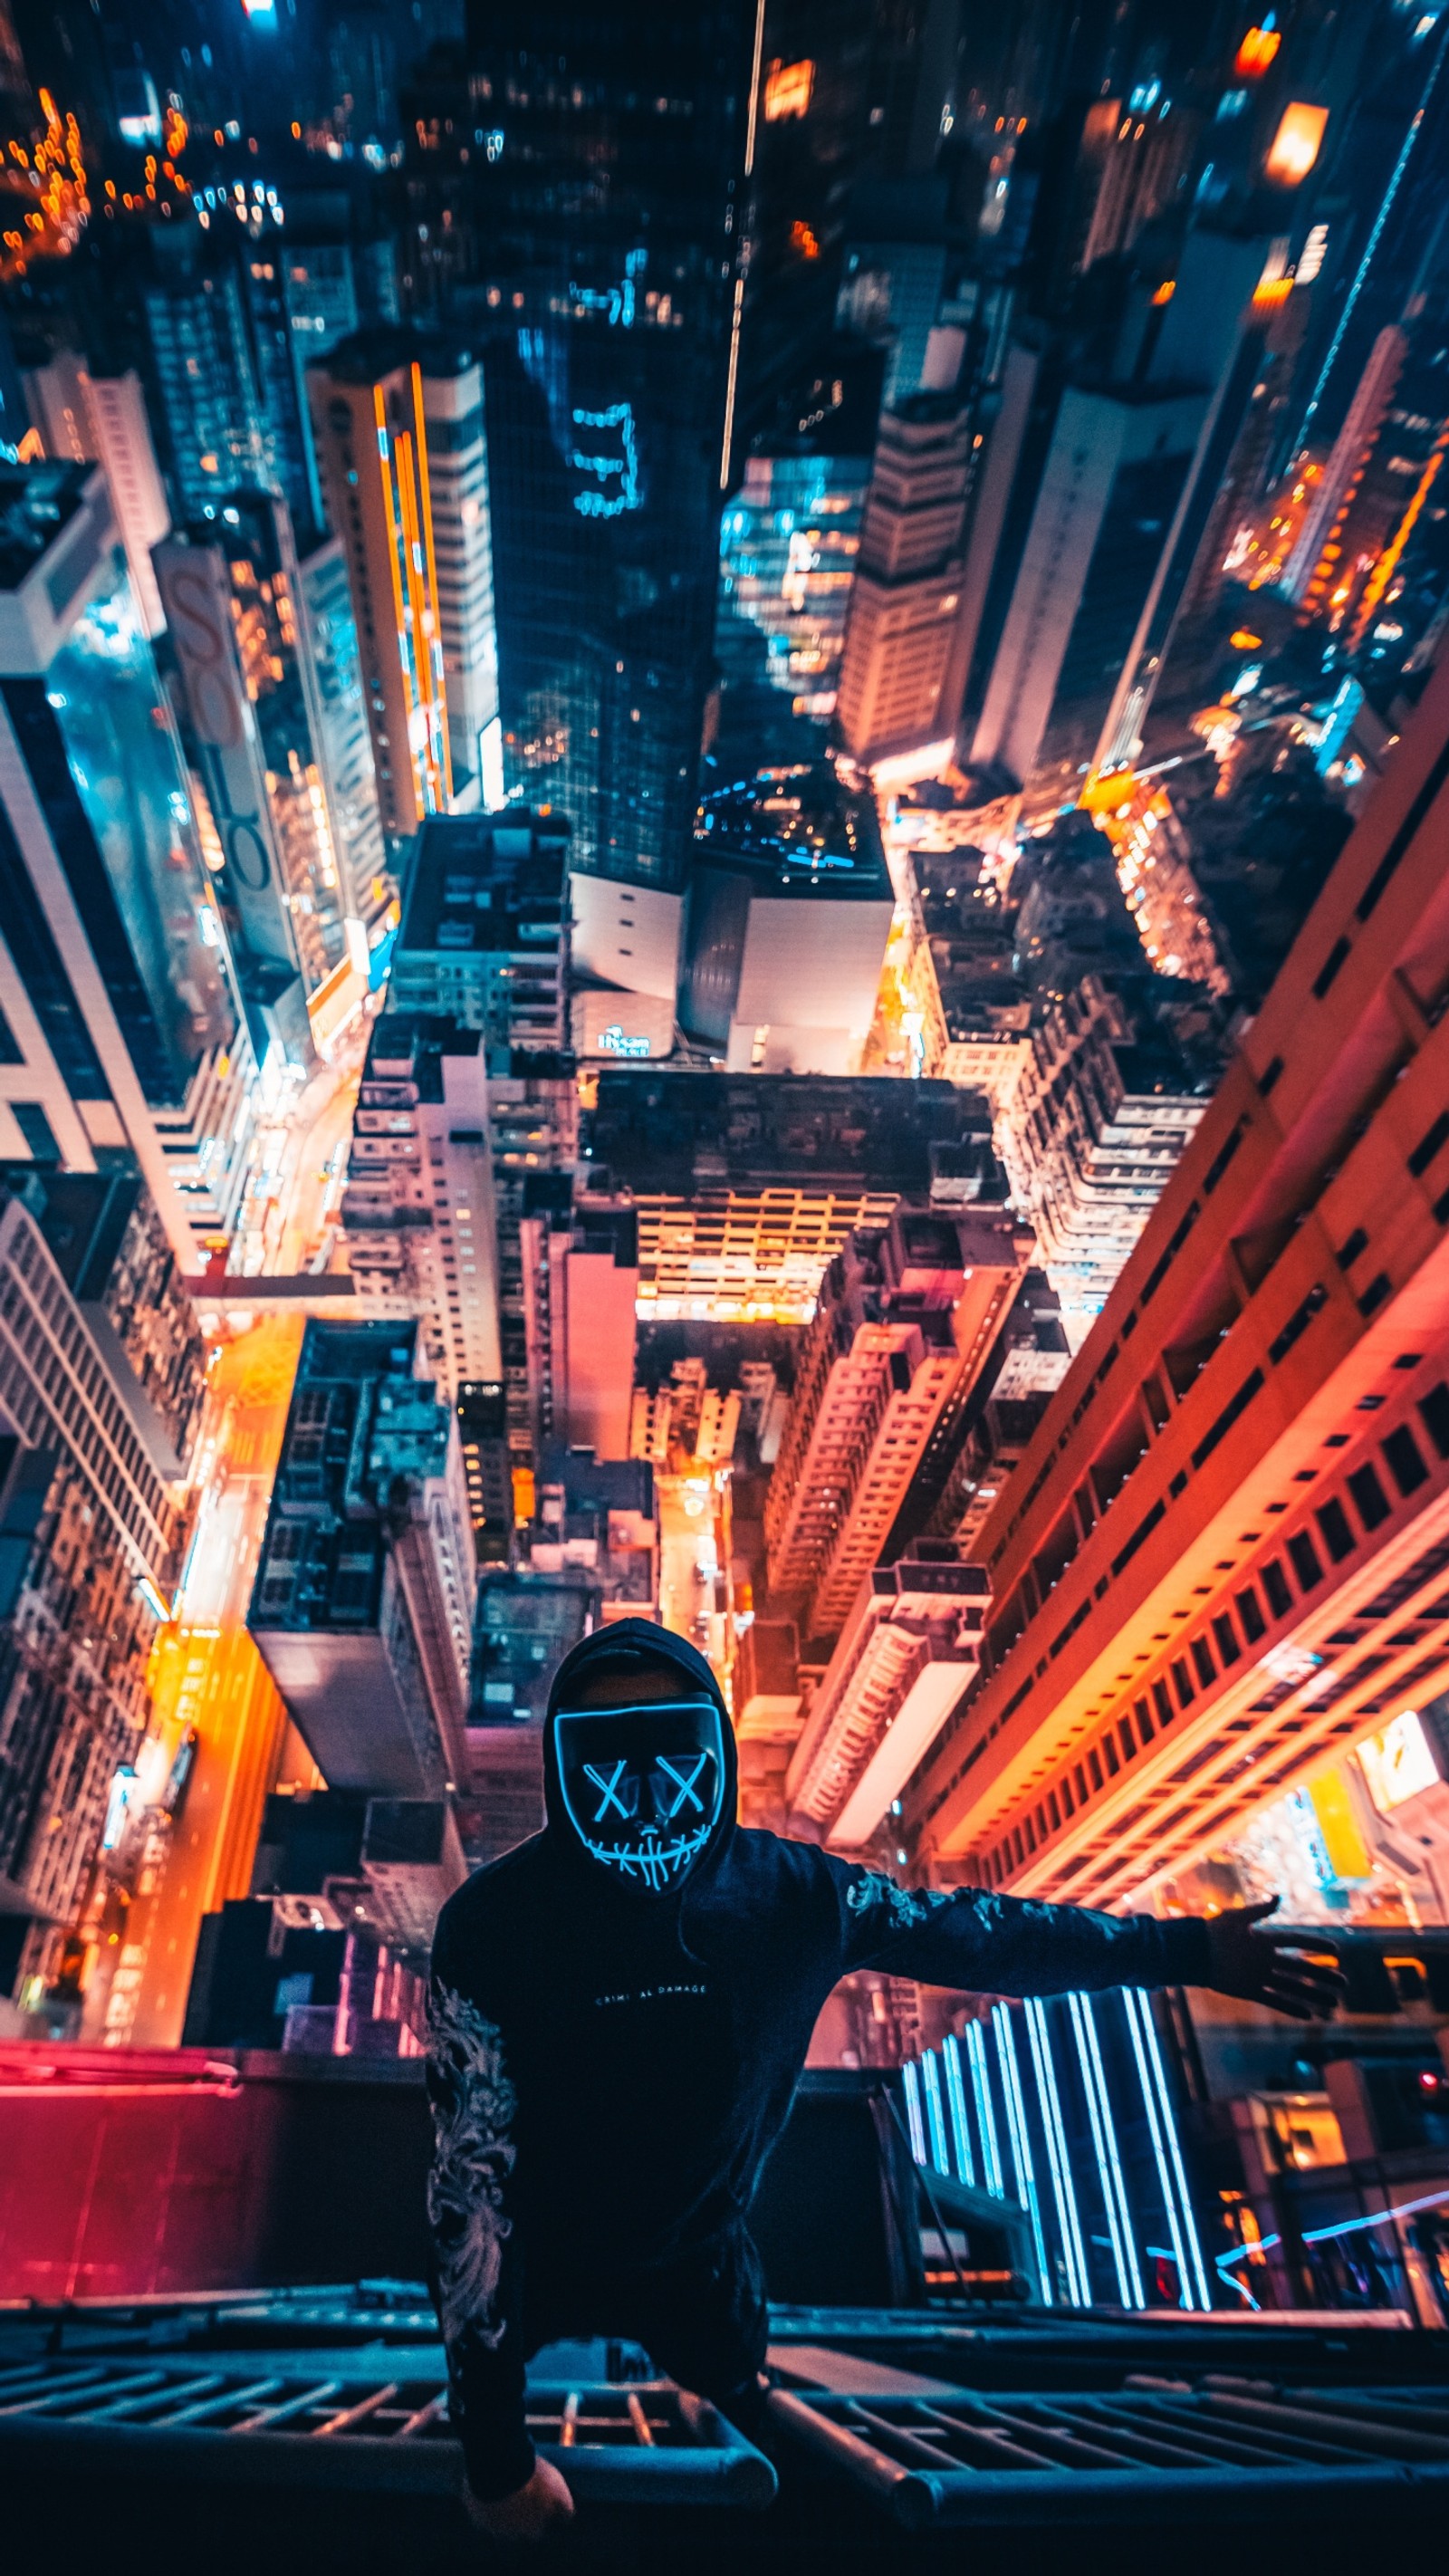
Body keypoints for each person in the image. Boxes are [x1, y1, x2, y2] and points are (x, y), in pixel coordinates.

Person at [426, 1619, 1343, 2544]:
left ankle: (743, 2404)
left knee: (740, 2395)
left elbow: (979, 1934)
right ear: (558, 1762)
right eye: (606, 1748)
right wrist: (498, 2459)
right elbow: (470, 2190)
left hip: (698, 2263)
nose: (640, 1785)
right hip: (538, 2259)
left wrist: (1182, 1948)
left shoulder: (789, 1898)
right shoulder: (498, 1928)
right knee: (739, 2415)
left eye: (665, 1739)